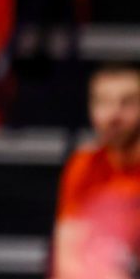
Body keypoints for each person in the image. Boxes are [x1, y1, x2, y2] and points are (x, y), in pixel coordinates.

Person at [51, 64, 140, 279]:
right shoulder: (83, 165)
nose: (114, 114)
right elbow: (67, 258)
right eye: (104, 102)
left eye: (127, 102)